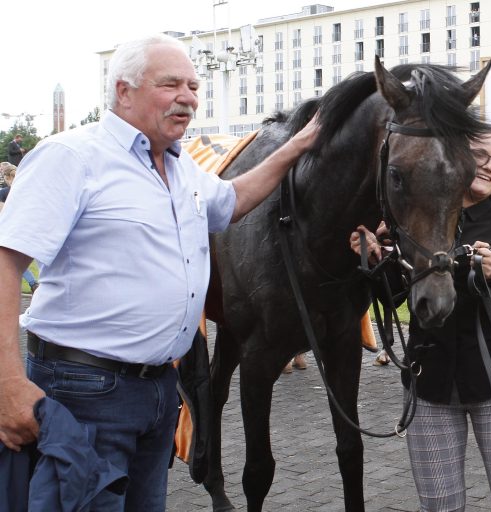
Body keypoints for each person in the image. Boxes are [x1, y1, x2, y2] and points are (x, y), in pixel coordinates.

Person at [0, 34, 319, 511]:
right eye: (171, 84)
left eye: (193, 85)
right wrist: (6, 382)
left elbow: (232, 202)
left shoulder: (180, 167)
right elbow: (7, 265)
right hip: (82, 392)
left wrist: (296, 147)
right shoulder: (71, 156)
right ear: (123, 91)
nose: (188, 96)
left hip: (157, 391)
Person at [351, 129, 491, 511]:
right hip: (431, 381)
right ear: (456, 157)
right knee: (439, 506)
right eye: (480, 155)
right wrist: (373, 259)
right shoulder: (415, 219)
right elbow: (399, 296)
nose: (489, 166)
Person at [0, 163, 39, 293]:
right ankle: (34, 284)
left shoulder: (4, 192)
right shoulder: (28, 190)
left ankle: (33, 284)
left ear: (6, 177)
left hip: (8, 229)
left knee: (10, 262)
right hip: (26, 228)